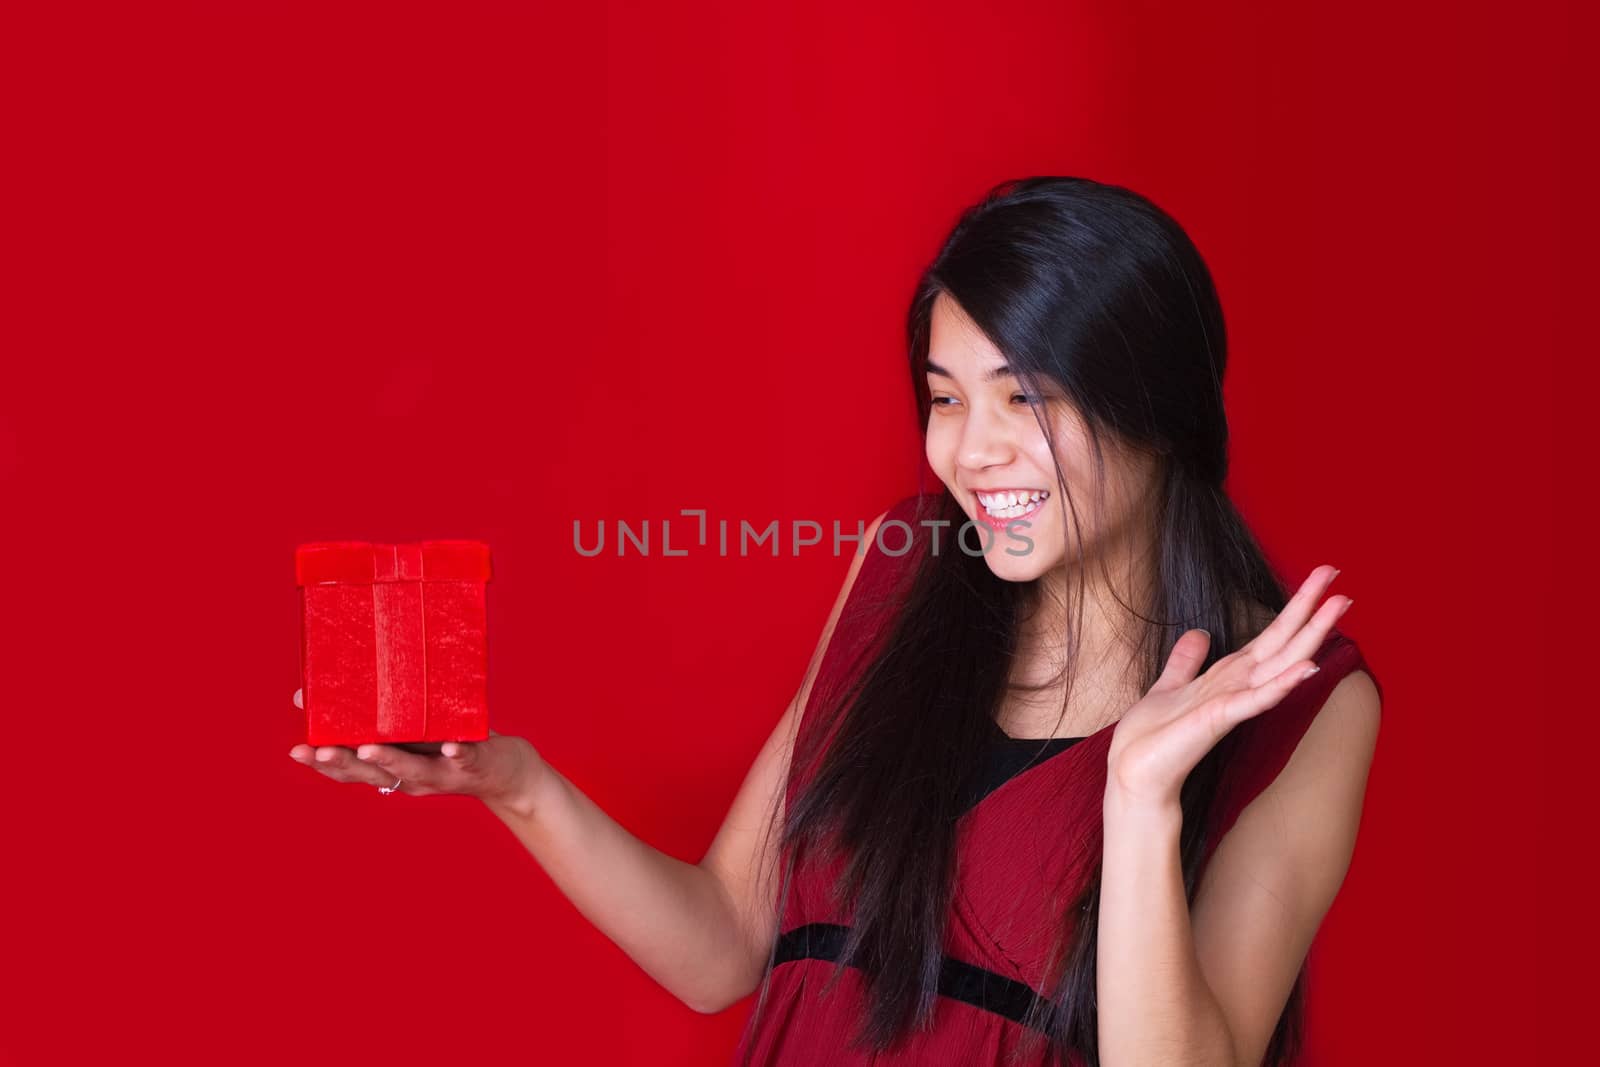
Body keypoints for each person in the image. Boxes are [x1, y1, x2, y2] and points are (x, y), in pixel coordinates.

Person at [289, 176, 1382, 1066]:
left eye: (1027, 395)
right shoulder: (899, 576)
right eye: (946, 397)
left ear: (1158, 406)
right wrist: (512, 781)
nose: (973, 449)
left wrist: (1139, 804)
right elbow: (724, 943)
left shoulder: (1304, 703)